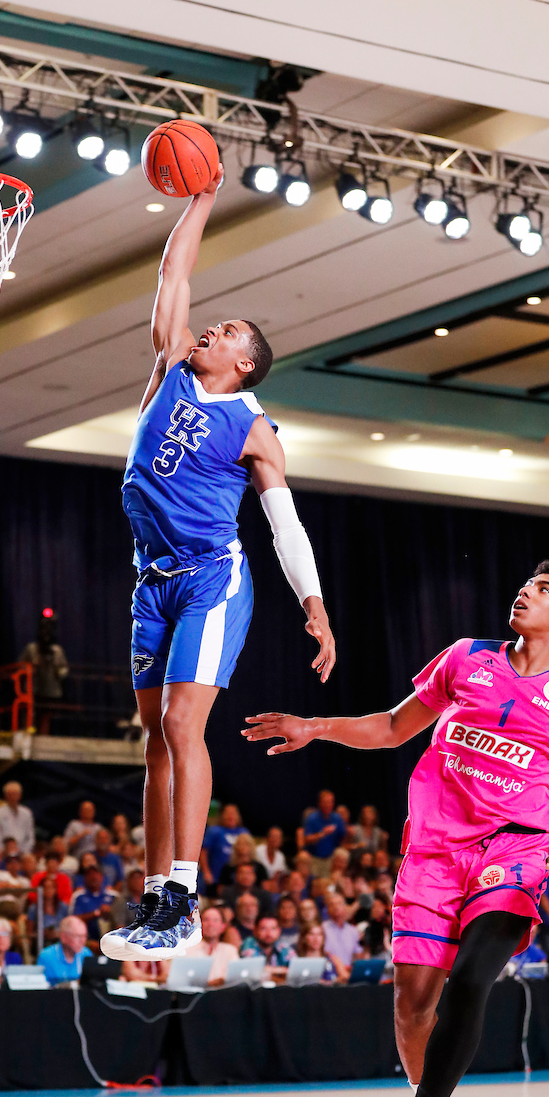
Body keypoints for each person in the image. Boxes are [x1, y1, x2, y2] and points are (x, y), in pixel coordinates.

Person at [243, 559, 549, 1097]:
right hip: (431, 851)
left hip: (512, 854)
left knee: (472, 977)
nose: (523, 591)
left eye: (542, 591)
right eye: (524, 583)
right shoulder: (465, 658)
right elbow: (392, 727)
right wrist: (314, 728)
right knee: (412, 1005)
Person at [101, 163, 334, 964]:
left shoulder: (252, 425)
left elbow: (283, 521)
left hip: (212, 575)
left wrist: (313, 603)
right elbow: (175, 272)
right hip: (153, 582)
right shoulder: (169, 365)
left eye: (229, 331)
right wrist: (200, 198)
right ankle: (153, 897)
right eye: (217, 323)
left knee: (180, 723)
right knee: (152, 742)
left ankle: (183, 896)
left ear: (244, 364)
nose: (212, 329)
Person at [19, 609, 70, 734]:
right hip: (33, 689)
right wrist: (31, 668)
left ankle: (43, 736)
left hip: (51, 691)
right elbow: (20, 667)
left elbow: (64, 669)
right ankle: (28, 734)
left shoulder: (57, 651)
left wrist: (57, 670)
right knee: (30, 715)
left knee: (46, 717)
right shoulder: (31, 649)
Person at [199, 805, 251, 889]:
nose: (231, 816)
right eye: (228, 813)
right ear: (222, 815)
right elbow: (203, 851)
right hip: (215, 876)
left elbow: (250, 854)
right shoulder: (214, 831)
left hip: (236, 879)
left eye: (233, 813)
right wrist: (206, 871)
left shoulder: (243, 832)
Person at [184, 906, 238, 983]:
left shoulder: (230, 950)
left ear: (223, 926)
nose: (210, 924)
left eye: (215, 920)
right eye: (206, 920)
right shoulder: (187, 950)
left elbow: (235, 977)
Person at [69, 864, 118, 951]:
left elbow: (121, 920)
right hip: (87, 939)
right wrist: (96, 913)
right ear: (84, 878)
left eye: (96, 874)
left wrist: (111, 912)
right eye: (89, 874)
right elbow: (73, 920)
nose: (93, 877)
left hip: (112, 940)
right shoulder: (78, 896)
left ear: (102, 877)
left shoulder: (114, 896)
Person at [38, 916, 93, 985]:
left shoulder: (86, 954)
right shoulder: (46, 956)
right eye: (78, 936)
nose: (83, 941)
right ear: (64, 937)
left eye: (85, 936)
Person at [302, 790, 346, 872]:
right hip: (314, 858)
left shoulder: (337, 818)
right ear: (320, 803)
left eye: (330, 802)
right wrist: (322, 834)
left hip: (330, 858)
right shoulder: (312, 818)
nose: (328, 805)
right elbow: (306, 839)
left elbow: (343, 837)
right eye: (325, 802)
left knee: (342, 854)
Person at [240, 914, 294, 979]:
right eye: (263, 929)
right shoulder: (249, 943)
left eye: (273, 929)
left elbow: (296, 968)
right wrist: (282, 970)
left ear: (279, 931)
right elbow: (251, 968)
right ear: (255, 930)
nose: (269, 933)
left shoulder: (282, 945)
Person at [0, 782, 35, 855]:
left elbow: (30, 835)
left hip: (23, 853)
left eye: (15, 794)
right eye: (9, 794)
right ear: (5, 796)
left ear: (19, 795)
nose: (12, 797)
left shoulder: (27, 813)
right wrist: (3, 851)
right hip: (4, 852)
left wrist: (25, 851)